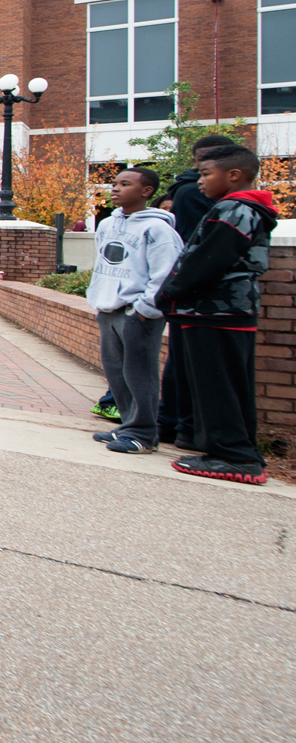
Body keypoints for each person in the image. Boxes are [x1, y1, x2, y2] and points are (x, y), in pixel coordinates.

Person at [155, 144, 278, 485]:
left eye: (206, 174)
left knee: (216, 385)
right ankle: (235, 451)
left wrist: (169, 293)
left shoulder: (234, 208)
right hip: (227, 311)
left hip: (215, 311)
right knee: (228, 385)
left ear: (234, 175)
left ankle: (234, 457)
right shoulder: (244, 208)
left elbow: (207, 259)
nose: (199, 181)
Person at [85, 166, 181, 455]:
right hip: (109, 309)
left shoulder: (159, 229)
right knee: (116, 372)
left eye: (125, 184)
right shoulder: (107, 225)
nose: (115, 188)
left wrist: (145, 309)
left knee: (139, 373)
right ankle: (128, 426)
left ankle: (143, 433)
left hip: (137, 312)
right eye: (114, 183)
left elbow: (166, 273)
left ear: (146, 191)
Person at [156, 134, 242, 447]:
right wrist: (169, 293)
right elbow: (200, 252)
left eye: (208, 172)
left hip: (207, 304)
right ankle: (187, 430)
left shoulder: (235, 206)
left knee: (190, 365)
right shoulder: (196, 194)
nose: (203, 176)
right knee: (192, 367)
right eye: (203, 169)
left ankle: (181, 428)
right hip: (206, 303)